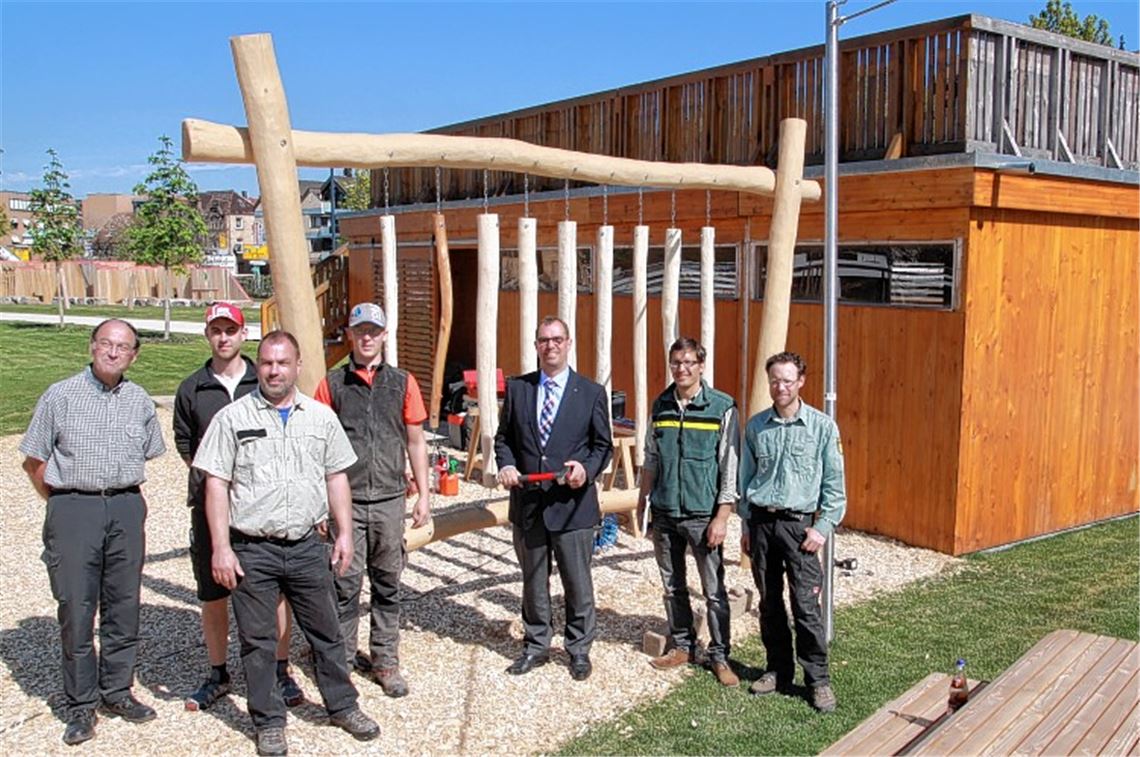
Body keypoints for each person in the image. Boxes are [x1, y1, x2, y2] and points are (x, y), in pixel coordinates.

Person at [193, 331, 380, 756]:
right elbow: (216, 484)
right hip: (252, 549)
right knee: (258, 641)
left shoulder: (320, 417)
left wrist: (345, 532)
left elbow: (337, 477)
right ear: (258, 366)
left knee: (327, 632)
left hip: (307, 544)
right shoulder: (232, 418)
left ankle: (343, 705)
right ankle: (269, 722)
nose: (274, 370)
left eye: (282, 363)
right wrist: (221, 547)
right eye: (267, 362)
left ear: (297, 367)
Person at [20, 319, 166, 746]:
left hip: (124, 503)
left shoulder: (140, 401)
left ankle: (117, 690)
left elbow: (149, 452)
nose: (113, 352)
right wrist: (62, 503)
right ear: (92, 347)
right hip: (73, 506)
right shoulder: (60, 395)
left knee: (124, 603)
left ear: (134, 355)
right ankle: (81, 704)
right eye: (106, 344)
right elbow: (33, 459)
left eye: (123, 347)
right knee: (77, 608)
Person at [173, 303, 302, 711]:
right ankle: (218, 672)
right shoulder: (192, 388)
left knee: (275, 592)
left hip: (262, 506)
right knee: (213, 594)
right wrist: (217, 480)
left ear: (243, 333)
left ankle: (279, 669)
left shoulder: (263, 380)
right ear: (207, 335)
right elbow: (184, 444)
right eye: (216, 330)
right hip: (210, 506)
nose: (223, 337)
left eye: (231, 329)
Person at [314, 302, 430, 698]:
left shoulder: (403, 382)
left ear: (384, 335)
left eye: (373, 331)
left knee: (388, 584)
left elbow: (415, 441)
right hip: (344, 502)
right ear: (350, 334)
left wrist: (425, 495)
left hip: (389, 500)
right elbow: (317, 448)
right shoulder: (331, 385)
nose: (366, 337)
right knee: (343, 584)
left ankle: (385, 660)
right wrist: (321, 505)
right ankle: (341, 662)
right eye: (359, 330)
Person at [495, 316, 613, 681]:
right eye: (544, 340)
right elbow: (503, 440)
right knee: (533, 581)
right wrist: (507, 465)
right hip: (529, 505)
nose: (551, 346)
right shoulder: (518, 389)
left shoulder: (590, 392)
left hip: (572, 505)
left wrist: (587, 470)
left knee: (577, 582)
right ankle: (536, 645)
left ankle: (578, 649)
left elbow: (602, 446)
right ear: (536, 346)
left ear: (569, 342)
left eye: (557, 339)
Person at [738, 351, 847, 713]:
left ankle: (818, 680)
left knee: (806, 608)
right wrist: (746, 524)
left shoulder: (822, 428)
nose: (780, 387)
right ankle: (777, 670)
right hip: (762, 525)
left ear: (801, 381)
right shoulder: (756, 428)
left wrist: (822, 527)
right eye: (774, 380)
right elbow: (745, 481)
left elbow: (835, 486)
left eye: (787, 380)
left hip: (800, 528)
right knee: (770, 604)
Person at [636, 337, 740, 687]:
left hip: (702, 515)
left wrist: (722, 516)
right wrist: (642, 501)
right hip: (665, 512)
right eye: (676, 362)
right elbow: (651, 456)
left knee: (713, 590)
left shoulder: (721, 408)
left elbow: (730, 466)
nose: (682, 369)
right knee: (671, 586)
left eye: (689, 362)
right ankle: (682, 645)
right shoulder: (661, 405)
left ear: (701, 366)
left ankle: (720, 655)